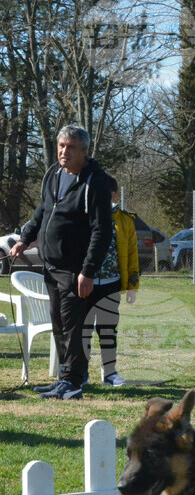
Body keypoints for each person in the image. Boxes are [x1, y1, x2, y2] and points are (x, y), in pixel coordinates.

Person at [10, 124, 113, 400]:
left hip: (75, 270)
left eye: (71, 147)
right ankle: (66, 379)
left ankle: (73, 383)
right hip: (51, 266)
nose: (64, 151)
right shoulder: (53, 174)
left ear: (84, 151)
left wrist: (88, 271)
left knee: (73, 328)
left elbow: (102, 231)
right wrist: (24, 238)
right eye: (61, 146)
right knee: (59, 325)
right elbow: (42, 211)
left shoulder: (95, 182)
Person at [81, 177, 138, 387]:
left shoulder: (125, 221)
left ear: (113, 195)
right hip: (84, 283)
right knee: (82, 329)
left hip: (111, 283)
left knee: (107, 330)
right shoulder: (82, 217)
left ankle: (110, 372)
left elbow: (132, 254)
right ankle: (81, 372)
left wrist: (132, 287)